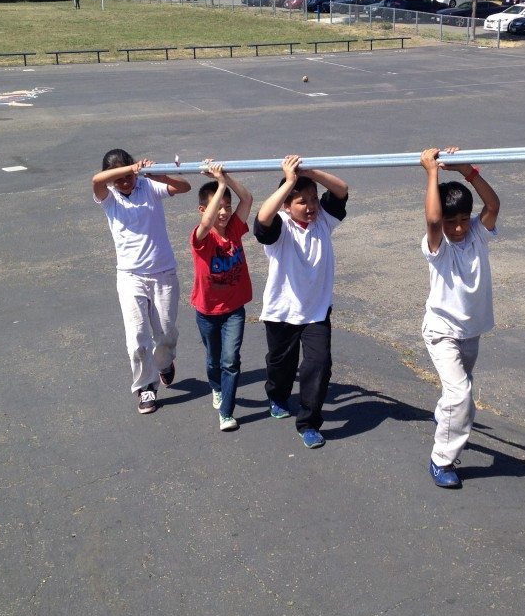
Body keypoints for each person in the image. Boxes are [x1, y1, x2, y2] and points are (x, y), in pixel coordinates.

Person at [252, 155, 349, 449]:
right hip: (282, 311)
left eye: (313, 200)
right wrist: (289, 182)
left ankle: (308, 422)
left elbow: (342, 189)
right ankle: (278, 396)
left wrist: (309, 172)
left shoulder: (324, 221)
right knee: (281, 365)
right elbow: (261, 220)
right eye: (301, 202)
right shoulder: (280, 227)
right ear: (286, 205)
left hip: (316, 312)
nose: (310, 207)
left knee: (318, 365)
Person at [419, 148, 500, 489]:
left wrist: (468, 170)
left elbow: (493, 205)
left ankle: (448, 419)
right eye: (452, 221)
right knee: (460, 395)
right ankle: (442, 460)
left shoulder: (478, 233)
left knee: (458, 393)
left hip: (470, 331)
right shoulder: (437, 245)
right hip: (442, 331)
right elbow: (435, 221)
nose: (457, 227)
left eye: (463, 219)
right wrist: (432, 173)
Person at [92, 149, 191, 414]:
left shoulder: (147, 185)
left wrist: (153, 173)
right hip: (130, 276)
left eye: (129, 177)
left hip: (163, 273)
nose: (126, 183)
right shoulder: (108, 197)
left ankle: (165, 363)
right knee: (137, 336)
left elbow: (184, 187)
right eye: (120, 178)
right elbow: (96, 180)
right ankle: (146, 387)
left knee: (166, 332)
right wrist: (129, 169)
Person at [190, 161, 254, 432]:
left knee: (230, 359)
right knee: (213, 358)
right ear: (204, 210)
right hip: (206, 311)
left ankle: (226, 412)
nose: (225, 212)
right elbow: (207, 222)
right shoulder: (202, 238)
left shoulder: (236, 230)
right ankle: (216, 388)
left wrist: (225, 178)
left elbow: (248, 198)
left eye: (228, 206)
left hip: (234, 309)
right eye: (219, 207)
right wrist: (219, 185)